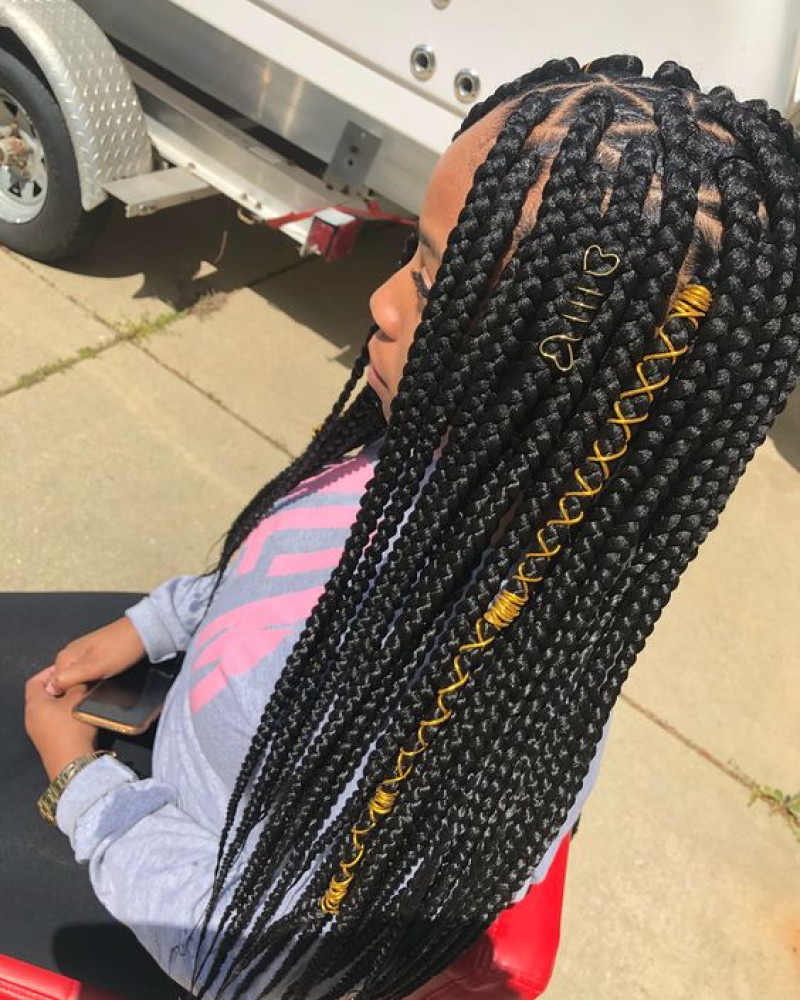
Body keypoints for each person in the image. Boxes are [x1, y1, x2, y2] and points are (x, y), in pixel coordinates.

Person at [13, 53, 800, 1000]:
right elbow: (284, 568)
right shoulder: (412, 452)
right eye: (416, 257)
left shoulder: (477, 712)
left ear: (569, 381)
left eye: (440, 282)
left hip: (156, 879)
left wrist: (83, 790)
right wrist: (161, 623)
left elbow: (262, 967)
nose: (383, 303)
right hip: (145, 734)